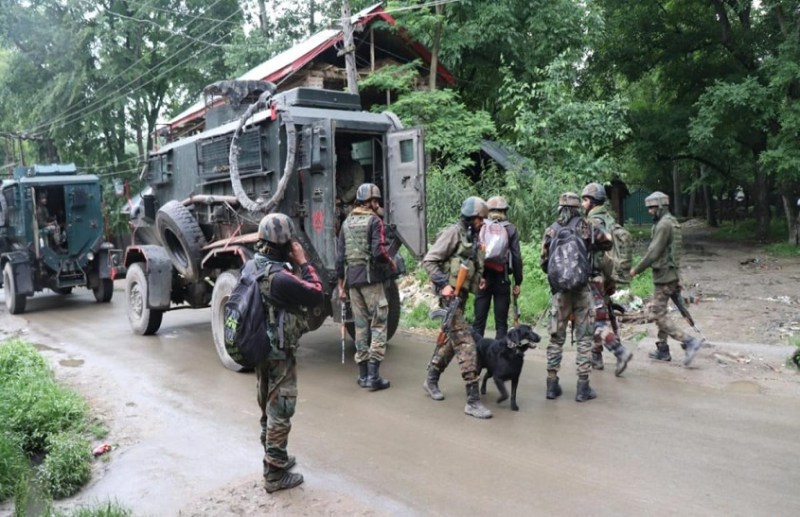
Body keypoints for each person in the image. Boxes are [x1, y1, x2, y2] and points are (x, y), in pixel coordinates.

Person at [253, 213, 324, 493]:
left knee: (267, 406)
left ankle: (274, 457)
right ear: (284, 244)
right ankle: (274, 475)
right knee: (281, 408)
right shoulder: (281, 278)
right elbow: (317, 292)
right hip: (279, 351)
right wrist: (303, 261)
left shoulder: (253, 266)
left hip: (259, 348)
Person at [422, 196, 493, 419]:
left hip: (461, 296)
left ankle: (431, 378)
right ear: (471, 217)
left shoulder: (471, 236)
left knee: (453, 344)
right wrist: (443, 285)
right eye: (480, 219)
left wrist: (478, 278)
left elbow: (469, 264)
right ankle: (472, 400)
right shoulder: (453, 233)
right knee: (466, 343)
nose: (483, 223)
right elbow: (429, 260)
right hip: (449, 298)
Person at [540, 192, 611, 402]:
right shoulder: (587, 226)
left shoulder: (551, 230)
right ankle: (582, 388)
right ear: (577, 208)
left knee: (555, 338)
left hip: (560, 292)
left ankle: (552, 385)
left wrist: (560, 275)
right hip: (582, 289)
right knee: (584, 338)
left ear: (560, 208)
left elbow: (544, 263)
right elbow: (608, 243)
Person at [629, 191, 703, 366]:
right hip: (671, 274)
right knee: (661, 310)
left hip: (664, 277)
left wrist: (636, 270)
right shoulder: (672, 222)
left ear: (661, 207)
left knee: (657, 313)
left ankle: (689, 341)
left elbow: (653, 252)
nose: (649, 211)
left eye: (652, 208)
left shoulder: (663, 225)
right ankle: (662, 349)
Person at [336, 183, 396, 391]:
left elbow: (339, 258)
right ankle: (374, 377)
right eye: (376, 201)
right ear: (368, 202)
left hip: (352, 282)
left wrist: (341, 285)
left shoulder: (346, 224)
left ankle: (362, 376)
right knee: (379, 324)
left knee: (360, 326)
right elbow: (379, 252)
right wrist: (390, 262)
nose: (378, 204)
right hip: (371, 281)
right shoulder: (374, 221)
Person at [580, 182, 633, 376]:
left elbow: (597, 254)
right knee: (600, 315)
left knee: (595, 319)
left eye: (585, 200)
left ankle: (619, 352)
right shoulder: (609, 218)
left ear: (592, 201)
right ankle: (596, 356)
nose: (583, 204)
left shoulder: (593, 221)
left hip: (596, 276)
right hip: (608, 276)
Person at [472, 195, 523, 340]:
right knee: (501, 324)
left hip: (483, 278)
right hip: (502, 277)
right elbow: (517, 258)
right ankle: (499, 357)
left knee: (478, 322)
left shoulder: (481, 226)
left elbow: (474, 252)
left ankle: (475, 356)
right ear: (505, 211)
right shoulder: (511, 229)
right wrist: (518, 281)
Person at [335, 142, 365, 232]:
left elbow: (357, 187)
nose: (342, 153)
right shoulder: (338, 167)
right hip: (338, 201)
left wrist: (343, 199)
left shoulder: (356, 167)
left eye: (344, 150)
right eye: (340, 151)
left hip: (352, 202)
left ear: (349, 151)